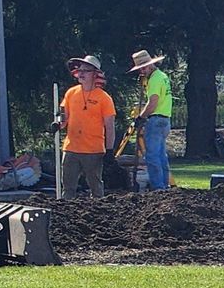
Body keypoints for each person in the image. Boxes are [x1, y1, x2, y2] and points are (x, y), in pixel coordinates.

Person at [54, 55, 116, 200]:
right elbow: (63, 116)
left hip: (93, 151)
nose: (81, 73)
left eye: (86, 70)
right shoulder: (71, 93)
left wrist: (110, 150)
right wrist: (57, 123)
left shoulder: (104, 98)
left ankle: (99, 215)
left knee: (96, 188)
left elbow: (110, 126)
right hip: (71, 149)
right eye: (79, 70)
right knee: (68, 188)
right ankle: (66, 215)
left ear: (95, 74)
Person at [127, 49, 172, 191]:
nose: (142, 71)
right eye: (140, 69)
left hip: (156, 119)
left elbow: (152, 103)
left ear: (150, 65)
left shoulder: (154, 79)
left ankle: (158, 188)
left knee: (152, 156)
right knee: (161, 155)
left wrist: (141, 117)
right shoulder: (162, 76)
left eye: (143, 68)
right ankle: (165, 186)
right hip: (165, 120)